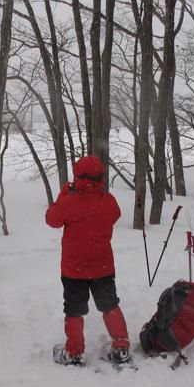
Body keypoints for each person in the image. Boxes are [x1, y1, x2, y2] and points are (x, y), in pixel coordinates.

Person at [45, 156, 131, 364]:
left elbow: (52, 220)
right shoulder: (108, 201)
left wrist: (64, 194)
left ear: (77, 176)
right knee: (110, 305)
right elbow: (115, 215)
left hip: (74, 270)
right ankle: (121, 347)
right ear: (101, 177)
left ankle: (74, 352)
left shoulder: (70, 201)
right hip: (102, 267)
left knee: (74, 310)